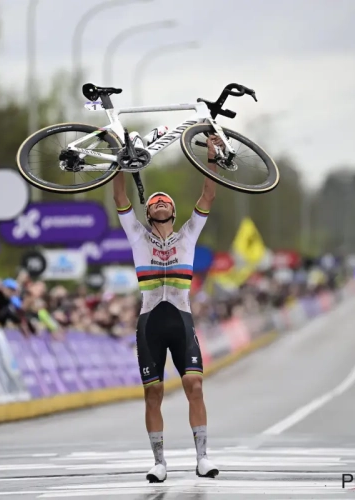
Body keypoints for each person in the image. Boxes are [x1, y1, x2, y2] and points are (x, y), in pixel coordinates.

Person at [112, 134, 224, 483]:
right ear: (147, 212)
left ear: (173, 211)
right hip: (149, 322)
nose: (160, 203)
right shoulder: (137, 236)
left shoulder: (189, 233)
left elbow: (208, 195)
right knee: (153, 392)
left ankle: (202, 458)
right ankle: (159, 463)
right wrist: (119, 159)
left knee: (194, 386)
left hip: (181, 319)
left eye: (165, 201)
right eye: (155, 201)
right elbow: (119, 196)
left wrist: (212, 156)